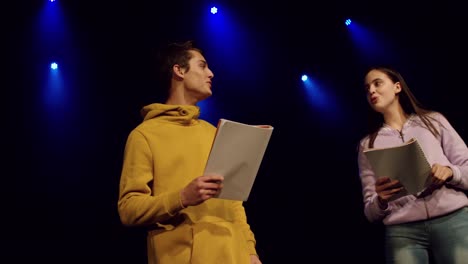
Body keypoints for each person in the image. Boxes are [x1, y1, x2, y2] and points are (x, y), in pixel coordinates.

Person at [117, 40, 262, 264]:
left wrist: (249, 250)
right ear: (179, 70)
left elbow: (233, 201)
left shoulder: (213, 132)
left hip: (234, 255)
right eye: (202, 66)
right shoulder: (144, 135)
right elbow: (129, 209)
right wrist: (182, 197)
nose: (211, 73)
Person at [356, 66, 468, 263]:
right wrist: (380, 200)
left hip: (453, 219)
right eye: (367, 89)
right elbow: (369, 211)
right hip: (403, 231)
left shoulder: (433, 121)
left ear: (397, 87)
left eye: (377, 83)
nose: (371, 91)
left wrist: (451, 172)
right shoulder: (368, 145)